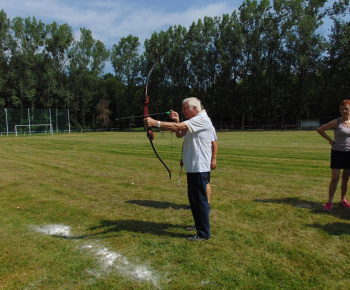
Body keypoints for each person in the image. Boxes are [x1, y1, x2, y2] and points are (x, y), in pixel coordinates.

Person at [144, 97, 214, 241]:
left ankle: (204, 234)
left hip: (199, 167)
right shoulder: (194, 121)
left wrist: (155, 123)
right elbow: (180, 133)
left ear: (194, 109)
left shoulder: (201, 119)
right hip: (193, 166)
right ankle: (199, 225)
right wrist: (176, 121)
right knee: (194, 200)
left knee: (199, 200)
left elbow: (177, 129)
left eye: (184, 109)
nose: (182, 111)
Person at [316, 99, 350, 211]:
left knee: (346, 179)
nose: (344, 111)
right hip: (337, 153)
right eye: (341, 109)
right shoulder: (337, 122)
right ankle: (329, 202)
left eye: (346, 109)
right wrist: (330, 140)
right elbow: (320, 129)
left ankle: (343, 200)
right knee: (335, 178)